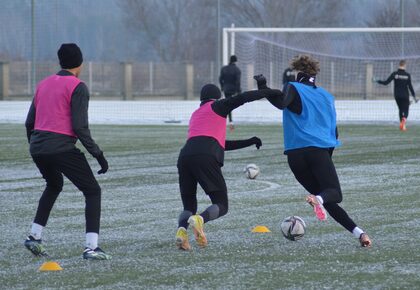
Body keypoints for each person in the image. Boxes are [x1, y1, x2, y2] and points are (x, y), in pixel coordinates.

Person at [258, 54, 372, 247]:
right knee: (333, 193)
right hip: (318, 151)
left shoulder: (292, 87)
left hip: (294, 155)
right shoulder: (327, 97)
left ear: (297, 73)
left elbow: (281, 104)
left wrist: (263, 87)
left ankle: (360, 234)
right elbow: (333, 132)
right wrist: (326, 158)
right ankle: (318, 199)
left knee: (327, 198)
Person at [24, 43, 111, 260]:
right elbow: (80, 127)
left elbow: (29, 122)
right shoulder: (77, 86)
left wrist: (35, 145)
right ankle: (91, 247)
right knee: (92, 191)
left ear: (60, 62)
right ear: (80, 63)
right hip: (60, 146)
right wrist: (98, 154)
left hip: (38, 145)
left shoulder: (43, 84)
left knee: (54, 185)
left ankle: (34, 237)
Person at [175, 82, 282, 250]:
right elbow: (244, 97)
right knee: (221, 204)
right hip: (205, 156)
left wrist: (249, 141)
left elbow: (220, 143)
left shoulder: (196, 114)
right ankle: (200, 219)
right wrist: (269, 92)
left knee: (189, 206)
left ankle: (182, 230)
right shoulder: (219, 106)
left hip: (185, 156)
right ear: (217, 97)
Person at [374, 60, 417, 131]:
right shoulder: (407, 75)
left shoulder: (394, 74)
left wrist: (377, 80)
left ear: (399, 65)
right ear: (405, 65)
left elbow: (386, 82)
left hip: (397, 95)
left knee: (400, 109)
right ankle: (403, 120)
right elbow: (410, 87)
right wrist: (414, 96)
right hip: (405, 95)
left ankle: (402, 126)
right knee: (406, 110)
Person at [219, 55, 241, 131]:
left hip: (226, 89)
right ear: (236, 61)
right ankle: (231, 122)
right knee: (231, 104)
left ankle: (230, 121)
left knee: (228, 104)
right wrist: (239, 91)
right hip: (234, 90)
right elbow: (238, 81)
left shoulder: (224, 69)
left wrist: (222, 87)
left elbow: (220, 79)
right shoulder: (237, 70)